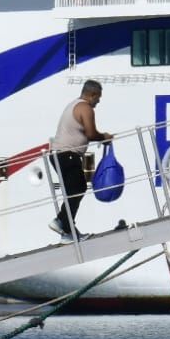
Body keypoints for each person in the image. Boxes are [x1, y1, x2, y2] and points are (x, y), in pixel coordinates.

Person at [49, 80, 113, 239]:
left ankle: (66, 231)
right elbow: (91, 134)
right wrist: (104, 137)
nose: (98, 101)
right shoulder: (85, 108)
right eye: (98, 97)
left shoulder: (73, 104)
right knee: (78, 188)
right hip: (67, 154)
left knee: (74, 190)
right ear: (92, 95)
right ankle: (61, 222)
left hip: (60, 154)